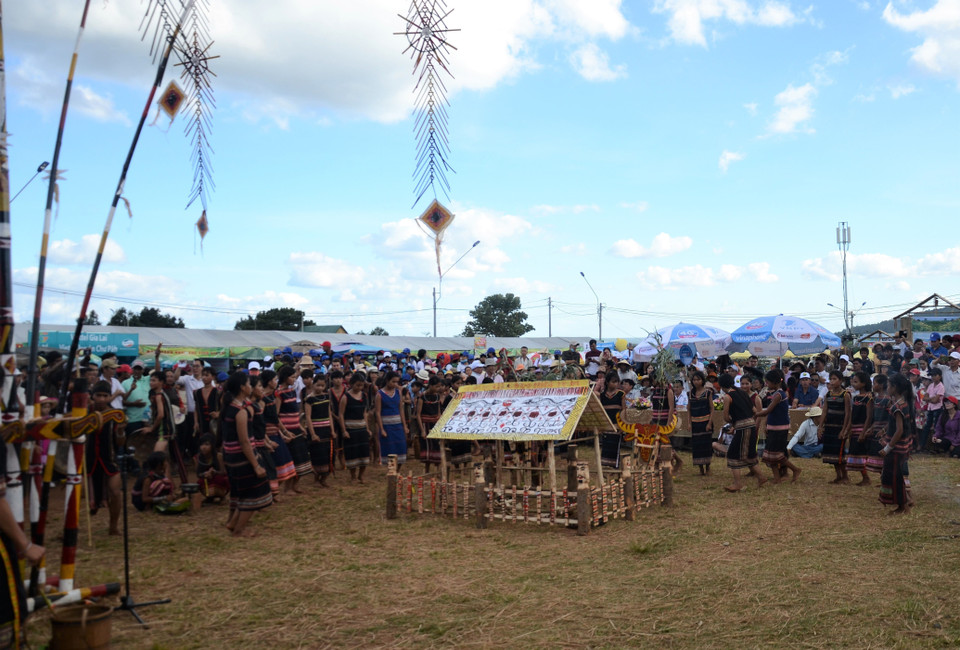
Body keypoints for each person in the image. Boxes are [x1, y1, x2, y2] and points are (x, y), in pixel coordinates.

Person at [220, 372, 272, 536]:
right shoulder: (240, 411)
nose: (251, 387)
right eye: (249, 384)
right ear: (242, 388)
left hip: (231, 456)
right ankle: (239, 529)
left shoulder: (230, 406)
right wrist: (256, 465)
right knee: (253, 493)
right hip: (241, 457)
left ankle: (233, 523)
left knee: (243, 491)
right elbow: (244, 441)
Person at [718, 373, 765, 492]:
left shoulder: (728, 397)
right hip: (750, 425)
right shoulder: (743, 393)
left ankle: (738, 483)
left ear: (722, 386)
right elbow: (755, 411)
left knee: (733, 453)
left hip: (742, 427)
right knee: (748, 454)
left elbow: (725, 417)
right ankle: (761, 477)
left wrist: (735, 422)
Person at [87, 380, 123, 535]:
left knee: (115, 492)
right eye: (98, 395)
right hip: (87, 460)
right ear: (93, 396)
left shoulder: (115, 415)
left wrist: (120, 432)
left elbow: (120, 443)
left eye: (105, 396)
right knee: (76, 493)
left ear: (109, 397)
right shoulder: (85, 412)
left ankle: (113, 526)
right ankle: (69, 528)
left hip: (109, 459)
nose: (101, 399)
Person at [879, 374, 915, 514]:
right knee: (897, 476)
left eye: (889, 385)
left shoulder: (897, 406)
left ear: (894, 387)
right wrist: (884, 431)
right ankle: (904, 503)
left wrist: (888, 448)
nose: (887, 388)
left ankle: (903, 506)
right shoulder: (902, 403)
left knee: (895, 477)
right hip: (901, 447)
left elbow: (899, 430)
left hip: (896, 448)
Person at [756, 370, 801, 483]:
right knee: (770, 455)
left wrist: (755, 414)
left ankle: (795, 469)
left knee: (777, 455)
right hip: (773, 426)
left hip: (780, 428)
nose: (766, 384)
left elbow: (768, 410)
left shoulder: (779, 395)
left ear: (775, 383)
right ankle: (777, 477)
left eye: (768, 382)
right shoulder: (774, 393)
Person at [261, 369, 296, 493]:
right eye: (275, 380)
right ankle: (271, 492)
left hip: (275, 433)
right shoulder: (262, 399)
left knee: (282, 463)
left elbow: (275, 418)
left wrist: (284, 432)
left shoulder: (272, 396)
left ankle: (273, 492)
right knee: (276, 465)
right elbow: (260, 422)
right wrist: (267, 440)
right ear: (269, 382)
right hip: (268, 435)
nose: (276, 382)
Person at [276, 366, 310, 490]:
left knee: (300, 459)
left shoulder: (291, 391)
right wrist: (283, 431)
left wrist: (300, 426)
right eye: (292, 377)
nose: (294, 379)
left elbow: (295, 413)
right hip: (287, 431)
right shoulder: (279, 393)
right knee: (291, 459)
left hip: (295, 428)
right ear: (285, 378)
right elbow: (276, 415)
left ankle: (293, 486)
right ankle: (286, 487)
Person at [818, 370, 851, 485]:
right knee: (832, 453)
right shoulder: (828, 394)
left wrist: (844, 429)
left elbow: (848, 413)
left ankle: (845, 476)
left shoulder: (846, 395)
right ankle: (838, 476)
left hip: (839, 427)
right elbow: (824, 411)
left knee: (840, 453)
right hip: (829, 427)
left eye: (834, 379)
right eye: (831, 379)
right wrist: (820, 426)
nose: (832, 381)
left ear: (841, 381)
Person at [340, 373, 372, 483]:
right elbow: (341, 414)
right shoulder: (345, 397)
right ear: (352, 384)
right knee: (352, 453)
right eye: (357, 385)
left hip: (361, 428)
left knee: (364, 452)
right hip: (350, 429)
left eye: (361, 385)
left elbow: (364, 413)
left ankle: (361, 475)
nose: (359, 387)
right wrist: (344, 430)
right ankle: (353, 476)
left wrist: (367, 428)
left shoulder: (364, 396)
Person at [305, 374, 334, 486]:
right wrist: (312, 434)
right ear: (313, 384)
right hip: (316, 430)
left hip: (326, 430)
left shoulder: (326, 397)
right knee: (317, 455)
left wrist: (332, 430)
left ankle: (324, 478)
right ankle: (316, 478)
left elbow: (329, 414)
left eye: (322, 386)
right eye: (318, 385)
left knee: (328, 454)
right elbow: (308, 417)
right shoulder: (309, 399)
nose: (320, 388)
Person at [846, 372, 874, 486]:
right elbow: (853, 414)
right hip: (855, 428)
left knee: (863, 455)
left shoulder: (868, 398)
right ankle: (865, 477)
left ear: (863, 383)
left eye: (856, 381)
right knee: (857, 454)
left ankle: (868, 478)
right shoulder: (856, 397)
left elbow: (869, 417)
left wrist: (863, 432)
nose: (853, 383)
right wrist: (849, 428)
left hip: (862, 429)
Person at [376, 371, 409, 467]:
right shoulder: (379, 394)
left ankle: (397, 471)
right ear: (387, 380)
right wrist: (381, 429)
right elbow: (378, 412)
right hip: (387, 426)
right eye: (393, 382)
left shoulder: (398, 393)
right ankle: (391, 471)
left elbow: (401, 410)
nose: (395, 384)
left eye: (397, 382)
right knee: (389, 450)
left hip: (398, 425)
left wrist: (404, 426)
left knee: (400, 448)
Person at [687, 370, 714, 474]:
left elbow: (712, 409)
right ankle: (700, 468)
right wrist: (689, 423)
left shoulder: (708, 393)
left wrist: (709, 423)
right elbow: (689, 409)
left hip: (705, 422)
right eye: (694, 380)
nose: (696, 382)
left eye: (698, 379)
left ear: (702, 380)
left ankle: (707, 466)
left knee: (706, 445)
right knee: (697, 446)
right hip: (695, 423)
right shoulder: (690, 394)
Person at [416, 376, 444, 472]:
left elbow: (439, 412)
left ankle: (437, 470)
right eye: (436, 386)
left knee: (436, 446)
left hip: (435, 424)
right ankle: (427, 470)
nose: (438, 388)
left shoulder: (437, 396)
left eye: (439, 386)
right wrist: (422, 430)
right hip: (425, 424)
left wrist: (439, 425)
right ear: (431, 385)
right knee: (426, 446)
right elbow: (418, 414)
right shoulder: (422, 397)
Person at [195, 433, 229, 502]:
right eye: (202, 445)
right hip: (206, 479)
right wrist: (205, 474)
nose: (203, 447)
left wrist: (214, 472)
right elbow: (198, 474)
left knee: (223, 479)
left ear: (212, 445)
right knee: (200, 482)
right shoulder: (198, 458)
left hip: (216, 477)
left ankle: (222, 496)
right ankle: (209, 497)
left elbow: (224, 472)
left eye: (207, 444)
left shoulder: (219, 456)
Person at [918, 367, 945, 452]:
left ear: (940, 376)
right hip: (931, 409)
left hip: (937, 409)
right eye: (932, 375)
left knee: (936, 428)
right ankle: (923, 445)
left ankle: (934, 447)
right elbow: (926, 398)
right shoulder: (931, 385)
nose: (933, 377)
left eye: (934, 375)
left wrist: (929, 399)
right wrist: (931, 398)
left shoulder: (941, 386)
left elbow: (934, 400)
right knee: (928, 427)